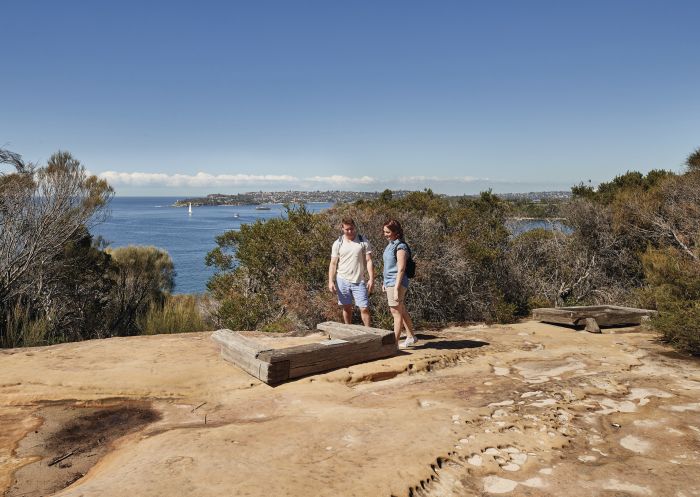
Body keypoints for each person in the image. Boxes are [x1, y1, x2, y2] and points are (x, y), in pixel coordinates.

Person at [328, 217, 374, 326]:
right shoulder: (338, 243)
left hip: (359, 280)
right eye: (347, 229)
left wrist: (371, 279)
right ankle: (348, 331)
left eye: (352, 229)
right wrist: (330, 281)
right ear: (342, 229)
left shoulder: (363, 241)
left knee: (364, 308)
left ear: (355, 227)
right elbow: (333, 263)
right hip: (342, 279)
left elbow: (369, 260)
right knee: (347, 307)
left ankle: (369, 333)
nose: (350, 231)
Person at [382, 219, 417, 348]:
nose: (385, 234)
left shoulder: (400, 246)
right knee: (400, 309)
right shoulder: (390, 244)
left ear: (396, 232)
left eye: (388, 232)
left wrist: (396, 288)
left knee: (395, 312)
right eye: (384, 231)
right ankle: (410, 336)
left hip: (396, 283)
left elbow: (401, 269)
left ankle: (394, 344)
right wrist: (384, 282)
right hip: (390, 282)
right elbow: (388, 266)